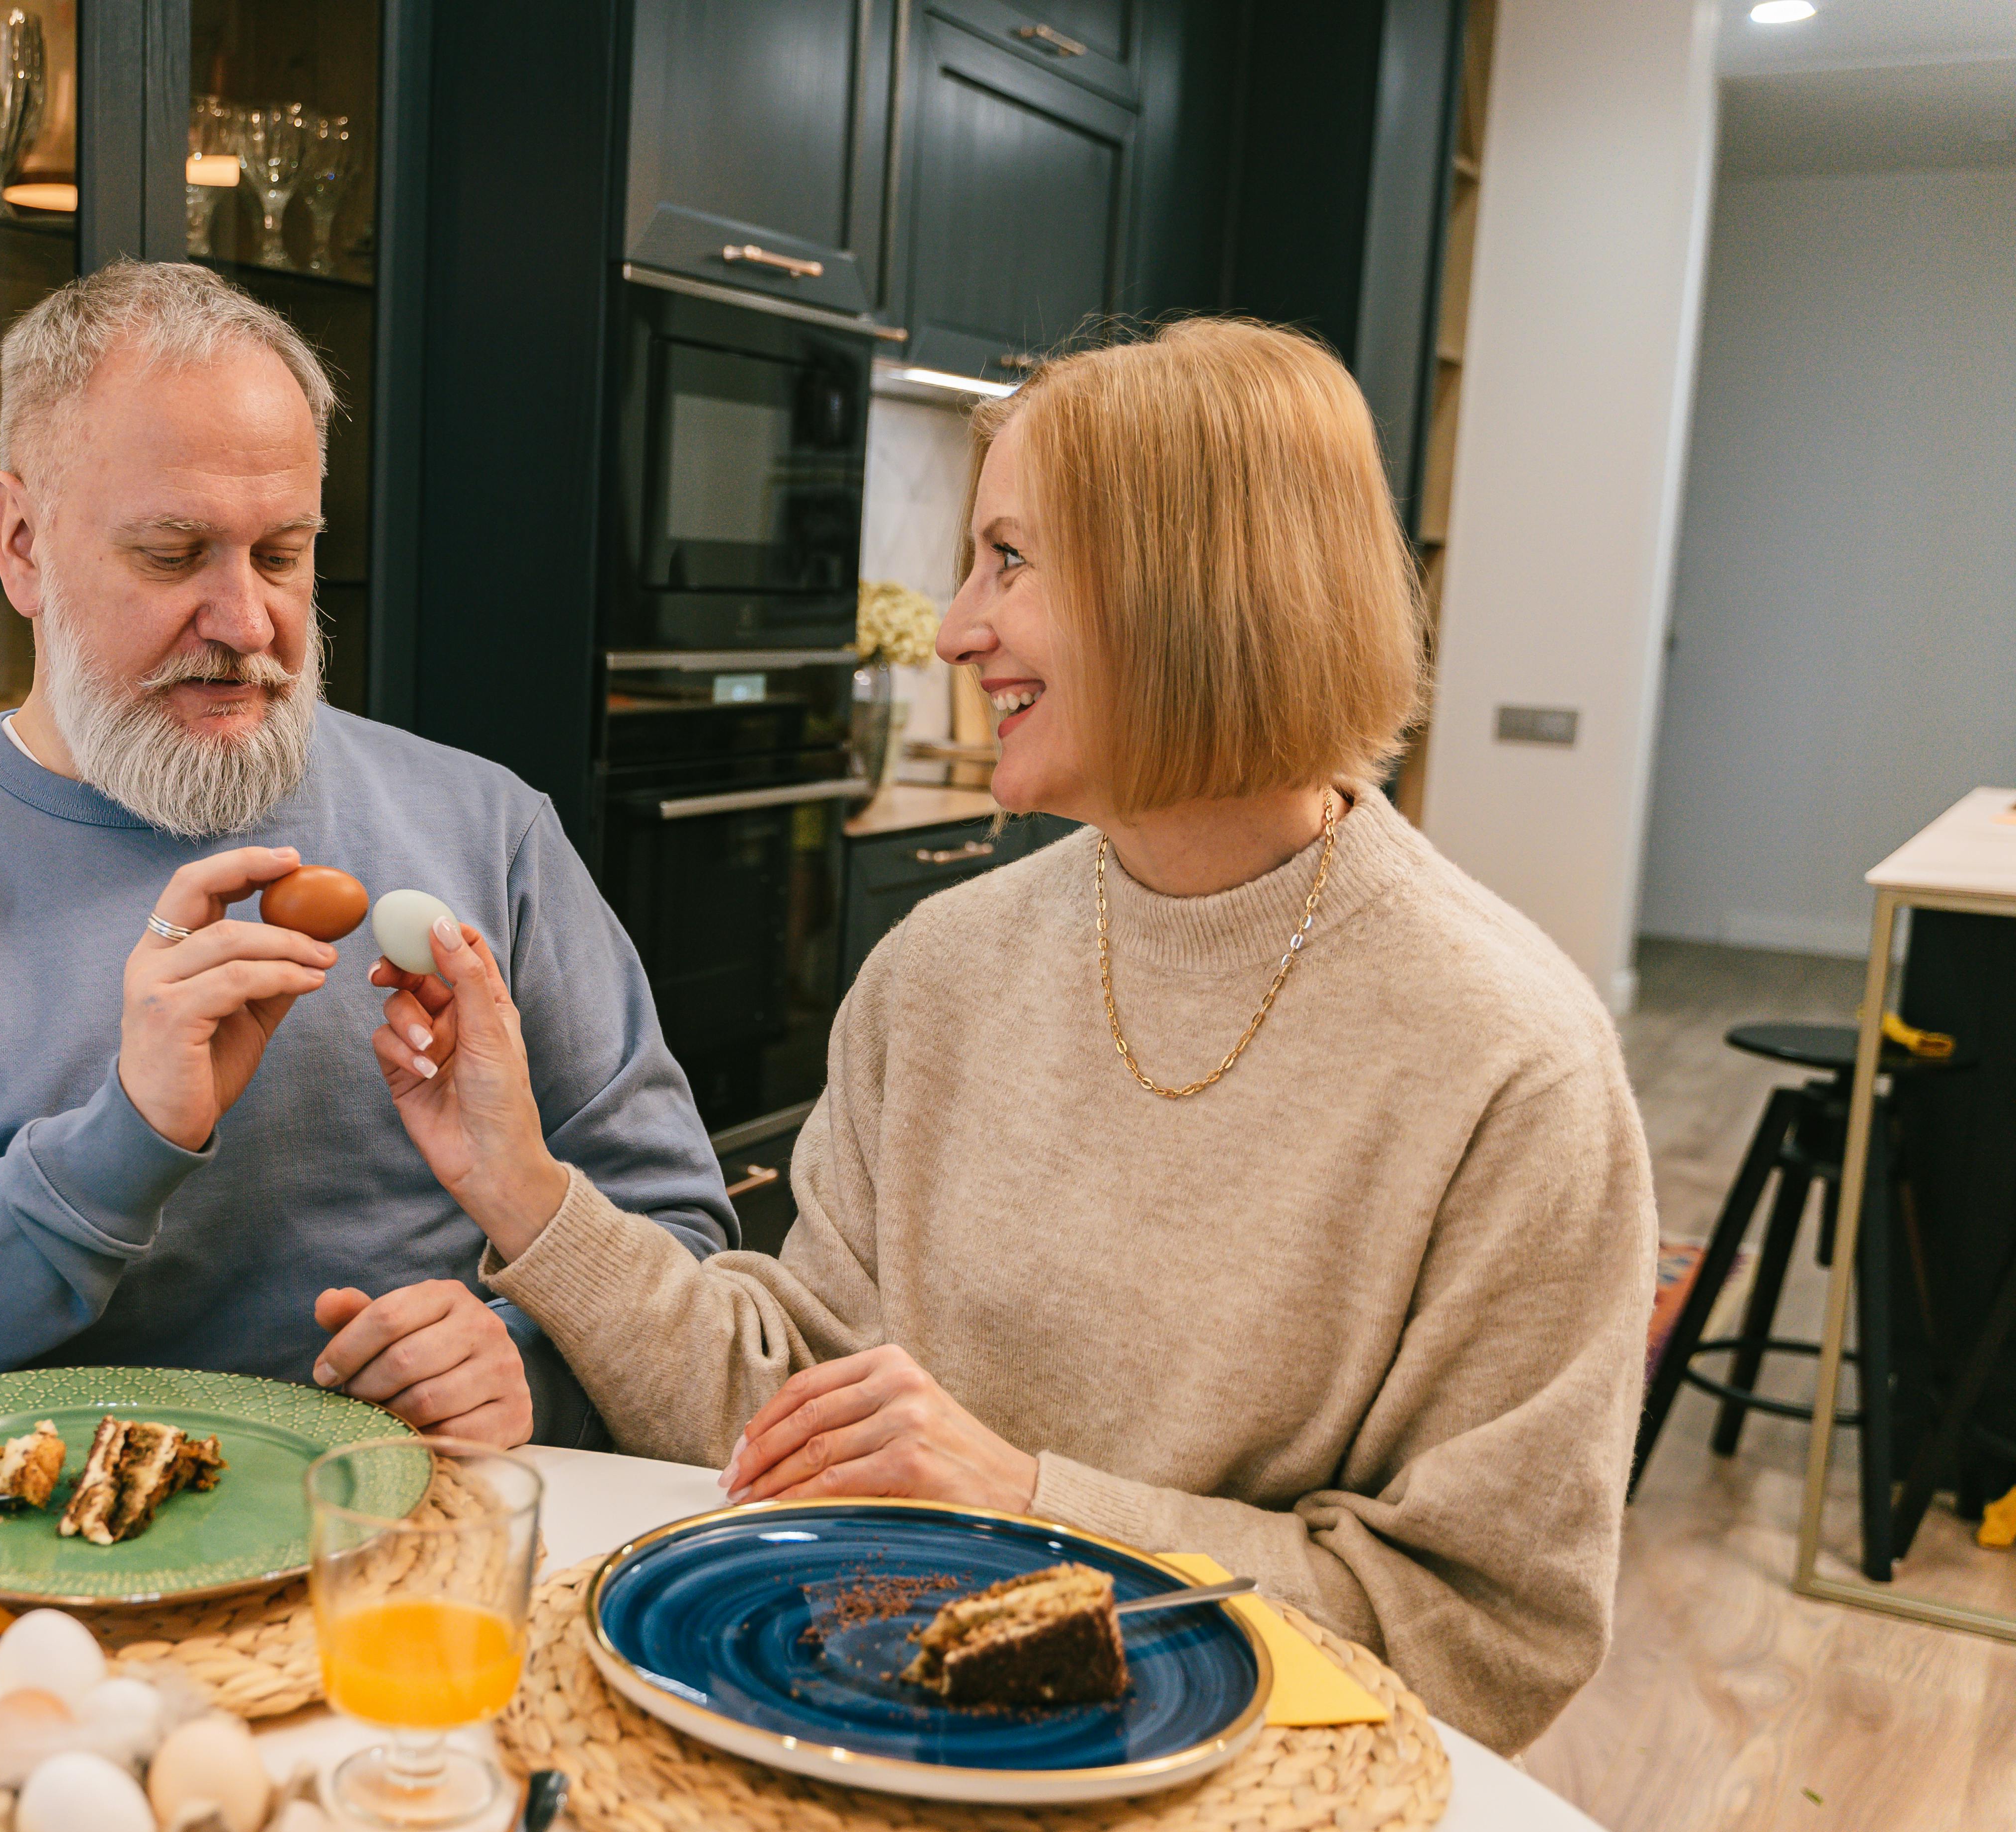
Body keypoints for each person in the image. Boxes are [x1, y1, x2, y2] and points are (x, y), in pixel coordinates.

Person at [339, 319, 1656, 1752]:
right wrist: (519, 1181)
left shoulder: (1508, 1059)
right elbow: (789, 1410)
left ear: (1192, 589)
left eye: (1009, 561)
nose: (959, 627)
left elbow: (1486, 1637)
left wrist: (1035, 1507)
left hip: (1232, 1820)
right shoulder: (943, 967)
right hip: (877, 1727)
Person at [0, 262, 730, 1462]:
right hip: (14, 1592)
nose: (246, 621)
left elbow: (687, 1254)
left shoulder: (487, 831)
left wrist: (528, 1365)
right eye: (176, 555)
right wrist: (118, 1143)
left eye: (282, 554)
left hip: (413, 1581)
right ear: (21, 543)